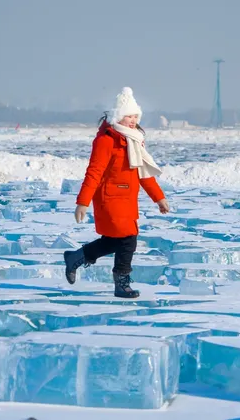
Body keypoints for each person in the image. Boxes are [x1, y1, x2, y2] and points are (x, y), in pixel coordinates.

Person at [64, 87, 170, 298]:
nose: (132, 120)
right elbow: (94, 172)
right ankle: (121, 283)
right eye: (128, 115)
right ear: (118, 116)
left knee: (114, 241)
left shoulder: (134, 140)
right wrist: (83, 202)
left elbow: (144, 173)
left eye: (135, 116)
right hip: (109, 198)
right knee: (128, 239)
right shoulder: (106, 140)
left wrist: (159, 197)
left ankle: (76, 257)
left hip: (127, 200)